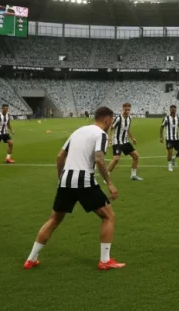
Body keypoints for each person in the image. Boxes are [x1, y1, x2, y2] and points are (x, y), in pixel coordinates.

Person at [23, 107, 126, 270]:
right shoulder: (101, 135)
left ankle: (31, 259)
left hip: (66, 179)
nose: (111, 124)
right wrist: (110, 183)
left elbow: (59, 156)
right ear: (107, 120)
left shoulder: (78, 131)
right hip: (83, 179)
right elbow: (99, 160)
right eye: (111, 121)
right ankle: (105, 261)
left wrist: (61, 179)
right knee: (109, 216)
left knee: (54, 219)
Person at [108, 102, 142, 181]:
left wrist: (132, 138)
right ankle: (107, 176)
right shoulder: (118, 118)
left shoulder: (130, 118)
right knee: (116, 159)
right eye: (125, 109)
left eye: (128, 110)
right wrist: (110, 139)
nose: (127, 111)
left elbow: (128, 130)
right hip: (117, 141)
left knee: (136, 156)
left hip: (125, 141)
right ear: (122, 109)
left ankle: (133, 175)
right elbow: (111, 128)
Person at [160, 105, 179, 172]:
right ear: (170, 110)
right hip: (169, 139)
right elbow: (162, 127)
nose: (173, 111)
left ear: (176, 110)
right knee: (170, 152)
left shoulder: (178, 118)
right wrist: (161, 137)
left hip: (176, 138)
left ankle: (174, 158)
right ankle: (169, 165)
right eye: (172, 109)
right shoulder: (166, 118)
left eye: (174, 109)